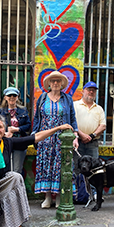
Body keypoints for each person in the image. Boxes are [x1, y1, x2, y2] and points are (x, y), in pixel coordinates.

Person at [0, 115, 74, 227]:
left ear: (4, 130)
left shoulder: (8, 142)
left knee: (15, 177)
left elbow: (35, 137)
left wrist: (58, 128)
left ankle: (20, 218)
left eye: (0, 127)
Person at [33, 71, 79, 209]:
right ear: (48, 83)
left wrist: (75, 135)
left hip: (62, 140)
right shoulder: (42, 98)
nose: (55, 83)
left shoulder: (67, 99)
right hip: (45, 139)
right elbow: (37, 118)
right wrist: (35, 135)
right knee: (46, 167)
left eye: (58, 81)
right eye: (53, 81)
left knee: (61, 167)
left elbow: (72, 117)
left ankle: (59, 196)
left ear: (62, 84)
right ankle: (47, 197)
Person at [0, 87, 31, 173]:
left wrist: (17, 129)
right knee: (5, 169)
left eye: (14, 95)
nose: (11, 97)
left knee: (17, 169)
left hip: (19, 141)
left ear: (17, 97)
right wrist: (4, 133)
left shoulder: (23, 110)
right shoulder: (1, 111)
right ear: (5, 97)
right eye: (9, 95)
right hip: (5, 142)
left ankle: (16, 186)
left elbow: (28, 125)